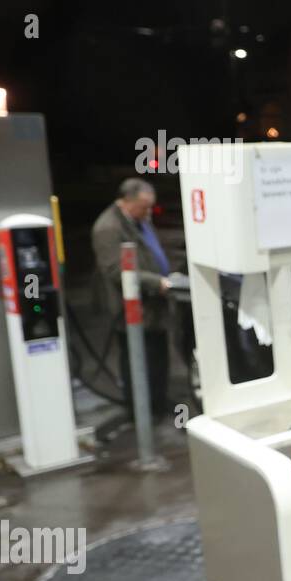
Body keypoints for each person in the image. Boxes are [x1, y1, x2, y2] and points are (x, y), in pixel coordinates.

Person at [91, 177, 173, 429]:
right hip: (131, 308)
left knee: (158, 355)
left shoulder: (138, 220)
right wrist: (155, 282)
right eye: (144, 207)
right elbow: (116, 271)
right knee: (137, 358)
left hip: (153, 304)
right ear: (127, 202)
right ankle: (139, 412)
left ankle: (158, 404)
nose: (149, 212)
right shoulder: (108, 228)